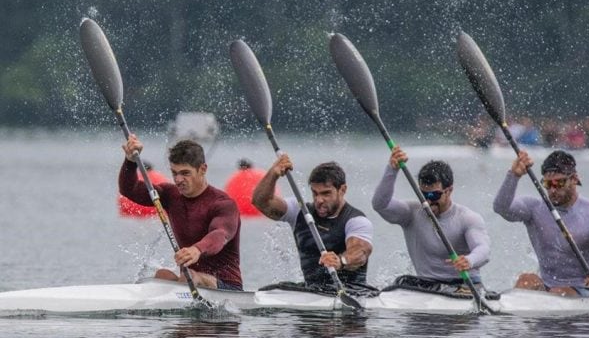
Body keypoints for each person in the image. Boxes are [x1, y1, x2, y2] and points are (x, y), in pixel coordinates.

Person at [119, 136, 243, 290]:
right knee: (163, 275)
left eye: (185, 173)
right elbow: (129, 190)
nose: (178, 180)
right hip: (189, 281)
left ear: (203, 169)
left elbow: (220, 234)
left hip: (227, 287)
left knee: (190, 276)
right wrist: (130, 162)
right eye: (174, 173)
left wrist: (197, 249)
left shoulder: (224, 204)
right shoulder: (170, 195)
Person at [493, 150, 589, 296]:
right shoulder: (534, 208)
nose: (552, 190)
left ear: (574, 179)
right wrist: (513, 176)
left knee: (559, 291)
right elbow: (501, 208)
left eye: (559, 183)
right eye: (547, 184)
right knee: (526, 280)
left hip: (584, 288)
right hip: (548, 285)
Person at [371, 146, 491, 293]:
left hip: (464, 285)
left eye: (434, 196)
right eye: (423, 195)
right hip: (427, 286)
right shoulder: (411, 213)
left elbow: (483, 250)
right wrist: (392, 169)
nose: (427, 201)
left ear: (449, 191)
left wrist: (469, 260)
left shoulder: (467, 218)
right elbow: (380, 205)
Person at [251, 155, 373, 287]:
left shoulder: (356, 221)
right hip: (312, 290)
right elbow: (261, 202)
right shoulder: (299, 211)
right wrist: (273, 173)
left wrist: (340, 261)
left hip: (352, 292)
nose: (319, 200)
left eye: (326, 193)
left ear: (342, 190)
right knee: (269, 289)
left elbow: (360, 252)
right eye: (315, 193)